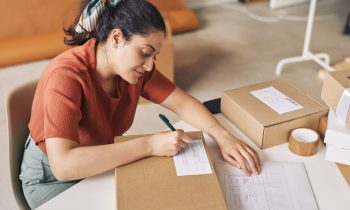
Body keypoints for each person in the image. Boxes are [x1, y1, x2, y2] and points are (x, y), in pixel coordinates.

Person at [19, 0, 261, 209]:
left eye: (154, 56)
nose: (149, 65)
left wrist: (221, 135)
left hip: (100, 161)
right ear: (116, 38)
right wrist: (148, 145)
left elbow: (184, 104)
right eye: (145, 52)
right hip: (51, 178)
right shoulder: (66, 76)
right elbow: (63, 165)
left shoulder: (136, 70)